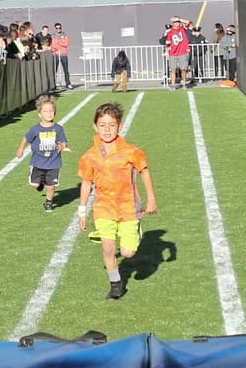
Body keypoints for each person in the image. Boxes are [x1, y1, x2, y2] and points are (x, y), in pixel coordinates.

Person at [78, 102, 157, 300]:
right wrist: (82, 211)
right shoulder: (89, 156)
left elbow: (144, 172)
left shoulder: (131, 151)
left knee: (128, 252)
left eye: (111, 125)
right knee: (107, 248)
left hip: (128, 208)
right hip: (103, 208)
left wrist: (151, 198)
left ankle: (136, 232)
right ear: (95, 127)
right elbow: (86, 183)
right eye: (102, 125)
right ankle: (116, 284)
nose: (107, 130)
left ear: (119, 127)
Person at [16, 94, 69, 213]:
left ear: (55, 112)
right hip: (38, 162)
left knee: (50, 186)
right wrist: (20, 149)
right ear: (39, 114)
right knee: (35, 185)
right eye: (45, 111)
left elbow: (64, 142)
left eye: (51, 111)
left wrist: (62, 146)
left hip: (53, 163)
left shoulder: (58, 129)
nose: (49, 113)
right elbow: (26, 138)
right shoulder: (35, 129)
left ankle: (49, 203)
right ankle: (38, 182)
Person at [165, 16, 190, 88]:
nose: (177, 23)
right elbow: (167, 43)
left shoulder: (182, 28)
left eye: (178, 22)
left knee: (183, 69)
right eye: (175, 22)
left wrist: (179, 19)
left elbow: (188, 22)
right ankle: (173, 85)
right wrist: (167, 52)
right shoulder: (170, 31)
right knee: (173, 69)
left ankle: (184, 83)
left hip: (182, 51)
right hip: (173, 52)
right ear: (173, 23)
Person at [50, 22, 72, 89]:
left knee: (66, 70)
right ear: (55, 29)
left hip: (63, 54)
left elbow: (66, 43)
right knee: (54, 70)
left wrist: (59, 42)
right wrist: (57, 46)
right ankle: (53, 85)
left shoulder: (64, 35)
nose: (58, 29)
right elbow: (53, 45)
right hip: (56, 54)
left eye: (59, 28)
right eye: (57, 28)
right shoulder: (52, 36)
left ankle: (68, 84)